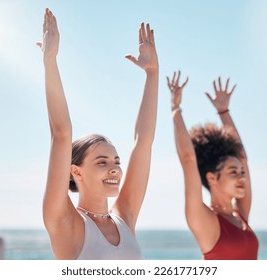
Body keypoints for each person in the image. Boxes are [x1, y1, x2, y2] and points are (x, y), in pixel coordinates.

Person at [37, 8, 159, 260]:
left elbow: (143, 142)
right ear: (76, 171)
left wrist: (152, 74)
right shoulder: (64, 222)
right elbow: (61, 133)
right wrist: (50, 61)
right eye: (102, 162)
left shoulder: (124, 217)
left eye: (116, 161)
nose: (114, 169)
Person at [167, 72, 258, 260]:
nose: (242, 177)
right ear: (211, 177)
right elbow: (188, 160)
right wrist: (175, 108)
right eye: (233, 172)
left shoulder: (240, 215)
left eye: (241, 172)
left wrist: (224, 113)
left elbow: (242, 158)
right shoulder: (204, 220)